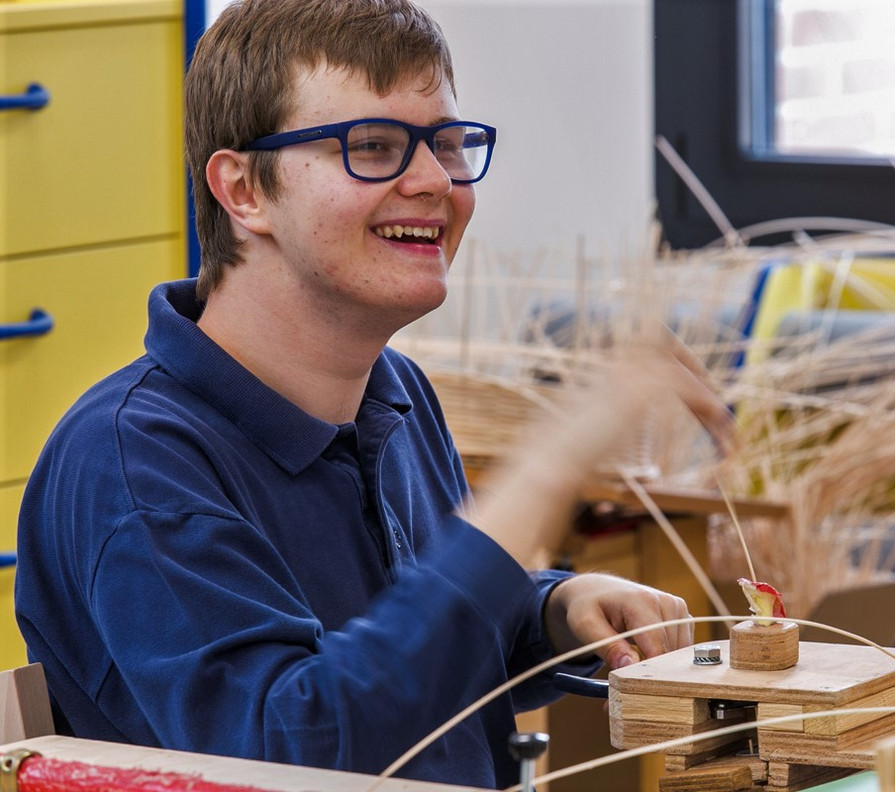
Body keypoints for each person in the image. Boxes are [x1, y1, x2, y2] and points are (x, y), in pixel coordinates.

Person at [14, 0, 734, 788]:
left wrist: (550, 610)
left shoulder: (393, 393)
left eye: (449, 145)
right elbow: (301, 750)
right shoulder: (132, 463)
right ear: (244, 189)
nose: (434, 182)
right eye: (374, 147)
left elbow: (395, 644)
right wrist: (545, 473)